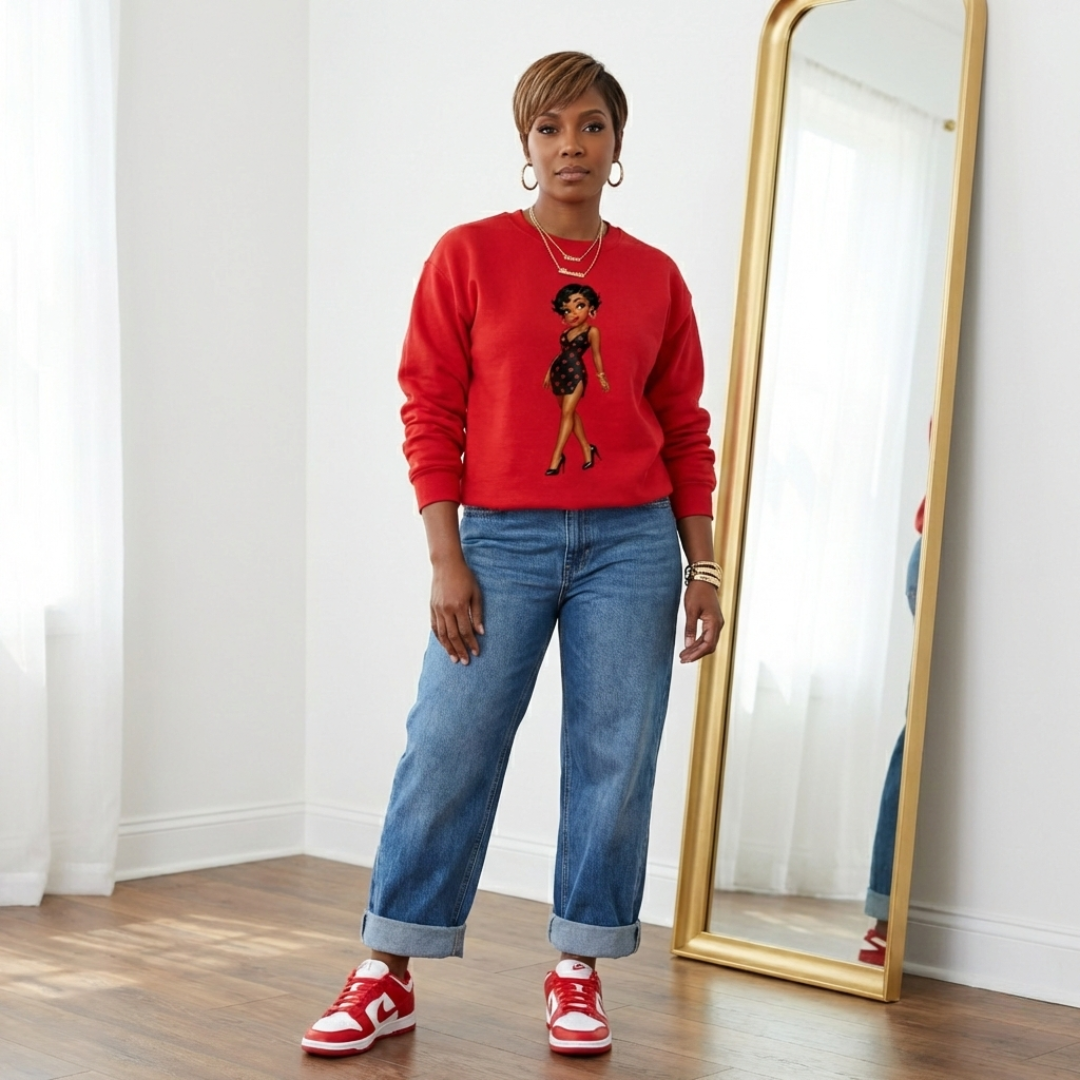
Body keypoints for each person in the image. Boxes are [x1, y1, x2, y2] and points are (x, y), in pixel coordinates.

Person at [301, 51, 723, 1058]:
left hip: (633, 543)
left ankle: (579, 970)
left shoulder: (656, 277)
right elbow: (430, 407)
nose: (571, 146)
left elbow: (685, 428)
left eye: (591, 126)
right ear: (525, 142)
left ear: (617, 143)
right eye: (549, 127)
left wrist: (704, 568)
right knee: (449, 744)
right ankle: (387, 969)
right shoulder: (470, 255)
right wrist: (446, 557)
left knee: (615, 756)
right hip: (499, 539)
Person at [859, 502, 923, 966]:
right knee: (919, 738)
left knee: (922, 739)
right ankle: (885, 921)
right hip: (938, 551)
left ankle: (889, 919)